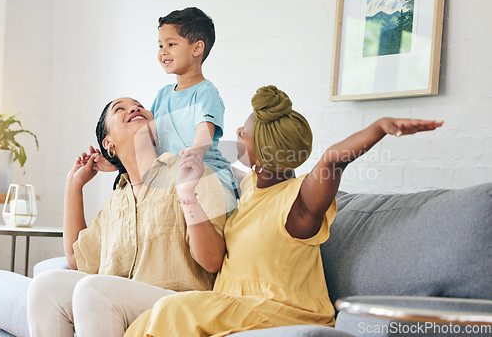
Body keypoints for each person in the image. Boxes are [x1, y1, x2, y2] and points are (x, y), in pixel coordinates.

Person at [121, 85, 443, 336]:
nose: (237, 134)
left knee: (173, 311)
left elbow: (332, 159)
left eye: (243, 133)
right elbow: (215, 151)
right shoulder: (250, 188)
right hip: (234, 305)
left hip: (283, 309)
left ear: (260, 154)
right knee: (149, 319)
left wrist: (379, 127)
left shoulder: (298, 204)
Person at [26, 97, 227, 337]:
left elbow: (213, 261)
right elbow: (76, 260)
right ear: (108, 144)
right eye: (120, 109)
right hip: (119, 301)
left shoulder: (193, 173)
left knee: (94, 290)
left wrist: (187, 195)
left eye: (139, 106)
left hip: (180, 304)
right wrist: (74, 186)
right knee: (45, 287)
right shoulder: (117, 200)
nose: (134, 108)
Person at [95, 7, 238, 213]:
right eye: (161, 45)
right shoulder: (163, 95)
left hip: (209, 176)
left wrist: (195, 153)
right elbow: (147, 141)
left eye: (171, 44)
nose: (163, 51)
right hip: (176, 181)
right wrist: (116, 163)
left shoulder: (206, 93)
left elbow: (205, 131)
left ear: (197, 49)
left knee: (217, 213)